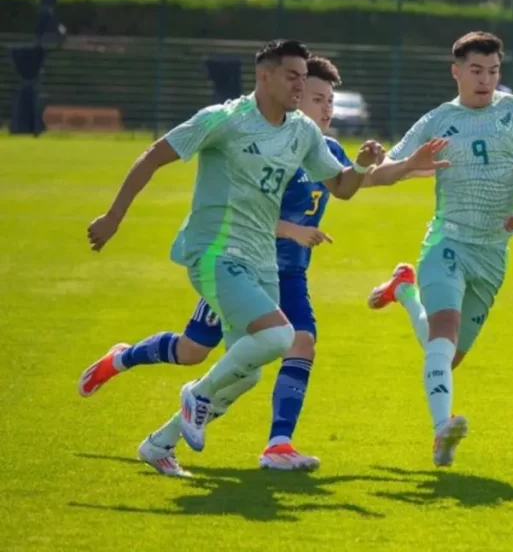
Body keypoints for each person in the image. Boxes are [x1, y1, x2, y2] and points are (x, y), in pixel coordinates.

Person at [85, 39, 447, 471]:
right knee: (272, 339)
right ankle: (199, 398)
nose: (302, 89)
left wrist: (371, 165)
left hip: (262, 265)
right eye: (295, 79)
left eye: (307, 82)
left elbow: (345, 188)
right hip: (217, 252)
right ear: (265, 76)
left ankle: (160, 444)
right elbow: (154, 156)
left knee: (247, 369)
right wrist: (113, 216)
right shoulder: (225, 120)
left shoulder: (305, 134)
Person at [366, 31, 513, 468]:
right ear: (456, 72)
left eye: (493, 71)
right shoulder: (436, 121)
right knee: (444, 334)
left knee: (449, 354)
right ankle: (440, 432)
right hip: (446, 240)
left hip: (492, 253)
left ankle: (405, 292)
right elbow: (380, 174)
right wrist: (405, 164)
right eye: (476, 71)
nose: (485, 80)